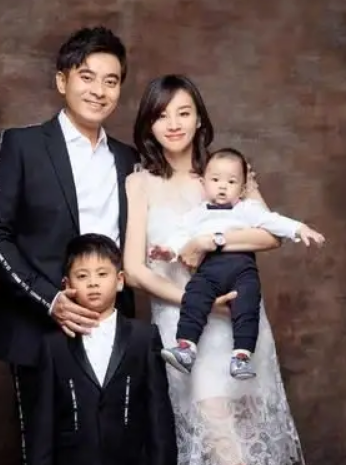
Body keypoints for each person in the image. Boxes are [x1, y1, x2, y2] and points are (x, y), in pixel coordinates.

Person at [123, 74, 306, 465]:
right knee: (220, 441)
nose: (173, 124)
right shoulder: (139, 183)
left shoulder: (228, 172)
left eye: (183, 113)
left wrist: (210, 241)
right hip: (183, 325)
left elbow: (270, 236)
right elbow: (135, 271)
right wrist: (199, 301)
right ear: (149, 124)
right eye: (161, 115)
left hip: (239, 325)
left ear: (200, 119)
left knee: (250, 439)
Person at [0, 26, 137, 465]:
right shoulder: (21, 144)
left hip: (114, 330)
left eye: (111, 80)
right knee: (45, 453)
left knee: (112, 451)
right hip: (39, 327)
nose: (99, 91)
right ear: (62, 81)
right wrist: (51, 301)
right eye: (87, 77)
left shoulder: (129, 160)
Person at [155, 147, 325, 380]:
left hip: (242, 270)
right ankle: (186, 348)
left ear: (243, 188)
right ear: (203, 183)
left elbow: (272, 221)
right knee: (194, 297)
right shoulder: (196, 215)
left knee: (247, 305)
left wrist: (299, 228)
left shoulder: (247, 210)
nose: (222, 186)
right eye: (215, 180)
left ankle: (242, 356)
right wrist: (168, 251)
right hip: (209, 270)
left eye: (231, 181)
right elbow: (182, 237)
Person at [28, 233, 177, 465]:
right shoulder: (53, 345)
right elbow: (43, 423)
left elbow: (159, 415)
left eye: (102, 274)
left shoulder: (143, 338)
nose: (93, 283)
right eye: (82, 275)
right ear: (67, 285)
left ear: (119, 280)